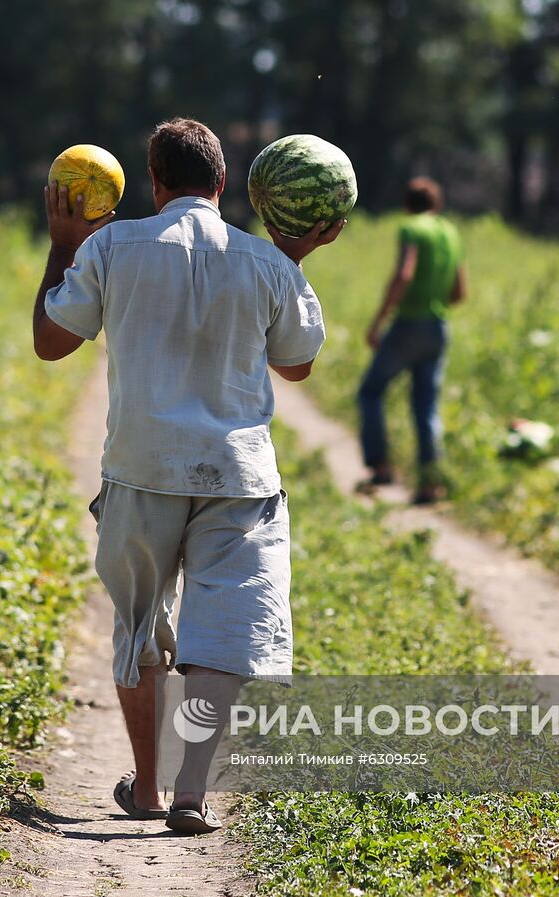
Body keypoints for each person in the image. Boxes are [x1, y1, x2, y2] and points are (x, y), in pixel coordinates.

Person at [30, 118, 344, 835]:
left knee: (141, 627)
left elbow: (52, 344)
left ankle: (145, 786)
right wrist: (292, 255)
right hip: (237, 477)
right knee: (224, 633)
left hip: (142, 468)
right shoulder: (263, 261)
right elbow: (295, 363)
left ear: (155, 183)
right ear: (224, 184)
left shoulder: (112, 245)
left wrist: (62, 245)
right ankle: (191, 792)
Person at [356, 176, 467, 504]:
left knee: (371, 391)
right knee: (426, 406)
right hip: (438, 326)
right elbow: (460, 292)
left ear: (407, 204)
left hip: (408, 324)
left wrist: (379, 321)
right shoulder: (450, 231)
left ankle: (381, 465)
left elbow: (405, 273)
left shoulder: (411, 228)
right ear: (437, 204)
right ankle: (431, 483)